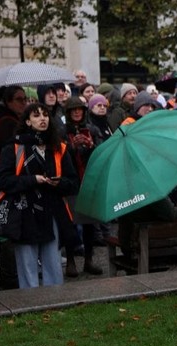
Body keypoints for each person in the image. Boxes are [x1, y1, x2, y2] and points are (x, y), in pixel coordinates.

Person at [0, 103, 80, 288]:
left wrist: (59, 183)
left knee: (53, 265)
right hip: (24, 213)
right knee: (27, 266)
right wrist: (32, 180)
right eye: (36, 115)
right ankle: (30, 307)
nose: (42, 119)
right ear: (27, 121)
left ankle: (55, 305)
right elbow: (1, 180)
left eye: (45, 115)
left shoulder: (60, 147)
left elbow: (73, 183)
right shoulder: (15, 147)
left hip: (52, 212)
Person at [62, 96, 104, 276]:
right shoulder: (62, 131)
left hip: (88, 182)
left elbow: (102, 153)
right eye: (73, 110)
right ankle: (70, 261)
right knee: (70, 224)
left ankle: (89, 260)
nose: (77, 112)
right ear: (68, 113)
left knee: (88, 225)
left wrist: (92, 145)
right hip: (71, 183)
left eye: (80, 109)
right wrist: (72, 146)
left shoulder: (92, 129)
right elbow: (60, 155)